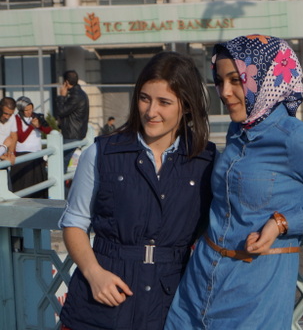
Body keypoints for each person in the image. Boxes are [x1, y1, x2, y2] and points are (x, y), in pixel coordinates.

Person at [165, 35, 303, 329]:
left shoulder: (296, 138)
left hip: (253, 293)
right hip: (198, 283)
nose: (225, 92)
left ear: (267, 78)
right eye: (220, 81)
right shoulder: (238, 129)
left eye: (237, 81)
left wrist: (282, 223)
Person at [58, 52, 216, 330]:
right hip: (104, 296)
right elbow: (74, 223)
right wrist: (94, 274)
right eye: (144, 98)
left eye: (164, 102)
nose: (150, 111)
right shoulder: (100, 153)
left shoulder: (205, 161)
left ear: (187, 106)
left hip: (173, 299)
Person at [10, 97, 52, 198]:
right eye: (26, 110)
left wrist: (39, 125)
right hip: (22, 155)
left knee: (39, 186)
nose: (29, 112)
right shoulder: (16, 119)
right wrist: (31, 127)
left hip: (37, 155)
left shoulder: (36, 116)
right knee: (24, 186)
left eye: (31, 109)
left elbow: (49, 130)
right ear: (21, 110)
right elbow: (20, 138)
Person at [55, 70, 90, 171]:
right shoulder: (80, 93)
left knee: (60, 163)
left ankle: (62, 187)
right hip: (75, 133)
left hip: (72, 134)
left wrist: (61, 96)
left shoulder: (75, 95)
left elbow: (61, 111)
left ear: (66, 82)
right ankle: (63, 186)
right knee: (62, 162)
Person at [0, 97, 17, 164]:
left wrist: (10, 153)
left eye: (10, 114)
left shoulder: (12, 117)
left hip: (4, 158)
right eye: (5, 113)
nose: (7, 117)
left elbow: (13, 136)